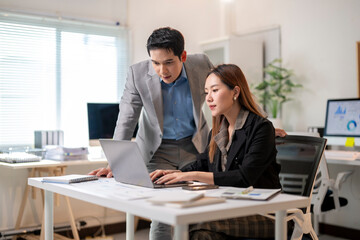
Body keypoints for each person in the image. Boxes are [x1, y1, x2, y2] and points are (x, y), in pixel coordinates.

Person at [150, 64, 282, 240]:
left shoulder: (261, 128)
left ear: (235, 92)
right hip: (232, 207)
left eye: (214, 90)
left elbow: (245, 177)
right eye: (206, 92)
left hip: (267, 213)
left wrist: (191, 176)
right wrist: (176, 173)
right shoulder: (219, 130)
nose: (209, 98)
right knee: (198, 227)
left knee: (200, 224)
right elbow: (204, 163)